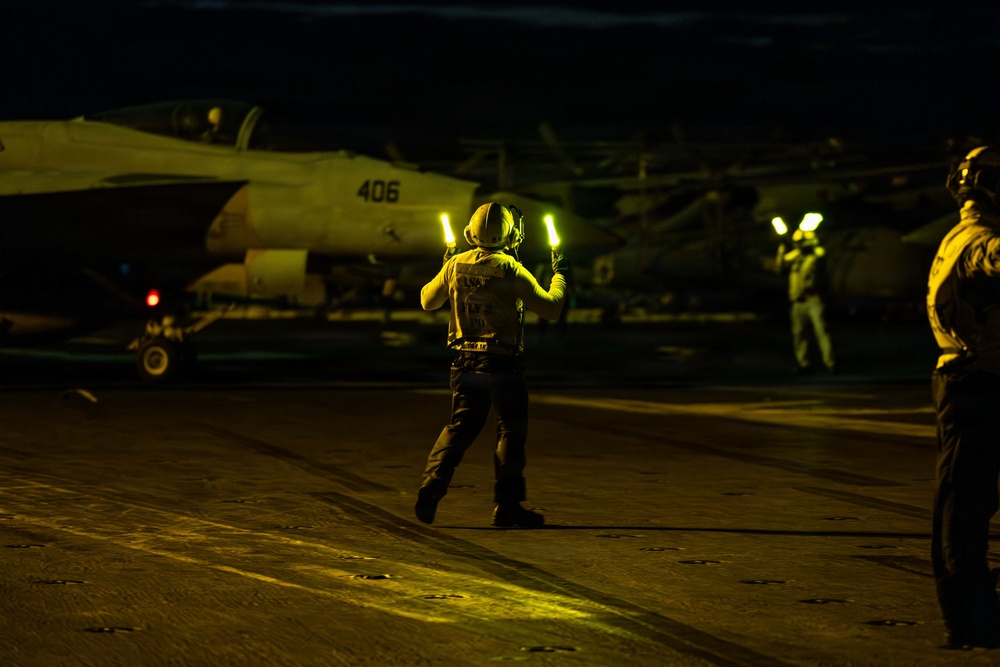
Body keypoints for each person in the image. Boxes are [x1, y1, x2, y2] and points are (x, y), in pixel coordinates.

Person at [415, 202, 567, 527]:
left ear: (471, 232)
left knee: (459, 428)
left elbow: (427, 301)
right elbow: (551, 309)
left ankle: (431, 486)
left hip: (464, 363)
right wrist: (561, 276)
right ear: (512, 234)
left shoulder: (456, 265)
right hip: (502, 364)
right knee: (510, 429)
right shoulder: (511, 268)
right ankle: (507, 507)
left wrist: (445, 269)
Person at [927, 145, 1000, 648]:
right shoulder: (979, 240)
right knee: (966, 506)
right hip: (976, 384)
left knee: (967, 501)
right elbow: (992, 260)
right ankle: (971, 619)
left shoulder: (961, 233)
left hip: (975, 381)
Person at [775, 228, 836, 374]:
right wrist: (782, 248)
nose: (798, 244)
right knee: (799, 334)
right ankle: (805, 364)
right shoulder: (796, 257)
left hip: (813, 299)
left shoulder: (815, 255)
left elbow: (821, 254)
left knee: (822, 332)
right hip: (797, 301)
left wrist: (809, 245)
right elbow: (779, 266)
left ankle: (830, 363)